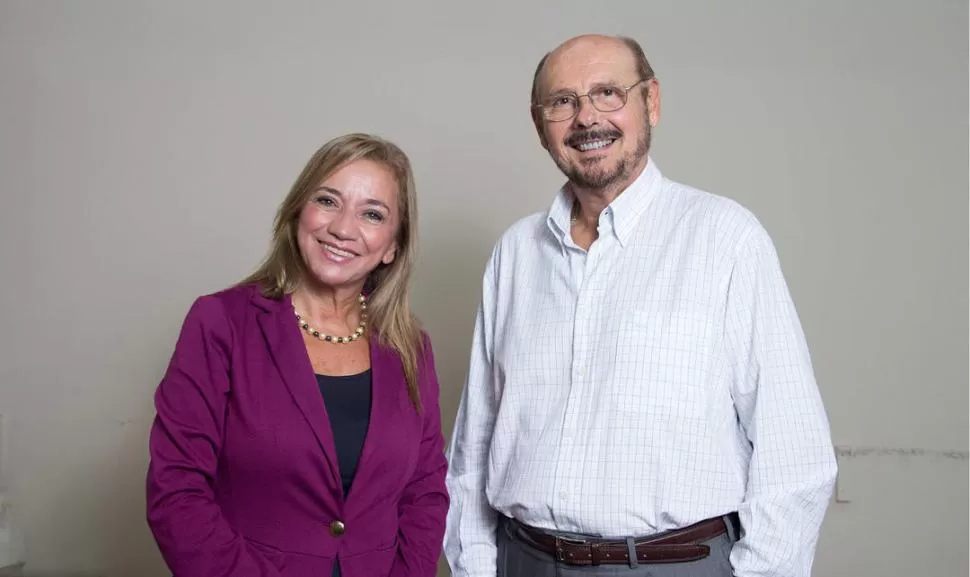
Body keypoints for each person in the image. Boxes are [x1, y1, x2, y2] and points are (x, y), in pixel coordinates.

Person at [443, 34, 837, 577]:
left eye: (608, 93)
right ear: (540, 127)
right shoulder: (514, 254)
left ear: (650, 102)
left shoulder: (726, 238)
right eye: (563, 102)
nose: (586, 119)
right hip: (523, 561)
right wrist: (477, 568)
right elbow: (474, 446)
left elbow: (794, 456)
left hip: (677, 564)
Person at [146, 133, 449, 577]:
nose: (343, 228)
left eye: (372, 214)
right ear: (297, 212)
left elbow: (425, 490)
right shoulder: (220, 323)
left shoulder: (410, 347)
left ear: (392, 247)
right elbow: (177, 490)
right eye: (328, 201)